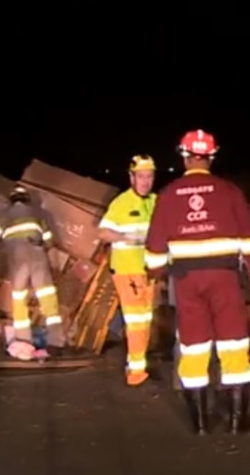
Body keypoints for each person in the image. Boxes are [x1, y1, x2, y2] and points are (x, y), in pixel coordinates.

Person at [144, 129, 250, 435]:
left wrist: (156, 275)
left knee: (194, 346)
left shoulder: (169, 194)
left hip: (186, 282)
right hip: (225, 279)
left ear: (184, 157)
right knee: (234, 344)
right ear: (210, 157)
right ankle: (237, 422)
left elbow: (155, 249)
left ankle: (200, 424)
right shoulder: (229, 191)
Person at [0, 185, 64, 361]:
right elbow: (49, 242)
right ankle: (56, 342)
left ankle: (23, 341)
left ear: (11, 199)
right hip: (38, 257)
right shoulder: (39, 214)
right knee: (47, 298)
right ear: (27, 199)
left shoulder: (4, 215)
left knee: (19, 300)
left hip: (17, 260)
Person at [98, 155, 158, 386]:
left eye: (149, 176)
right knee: (135, 320)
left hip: (148, 270)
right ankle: (136, 371)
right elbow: (102, 233)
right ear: (131, 177)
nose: (145, 181)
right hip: (127, 270)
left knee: (145, 319)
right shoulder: (121, 203)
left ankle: (138, 363)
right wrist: (126, 237)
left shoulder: (154, 201)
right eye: (141, 177)